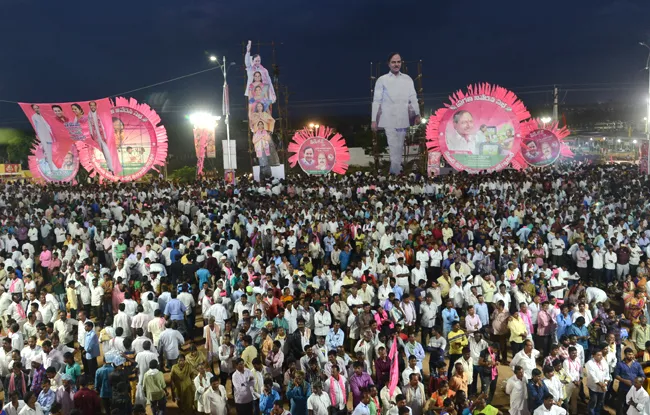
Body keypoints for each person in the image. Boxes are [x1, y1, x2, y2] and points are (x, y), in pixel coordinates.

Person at [371, 52, 420, 174]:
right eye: (393, 62)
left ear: (401, 63)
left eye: (398, 62)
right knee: (393, 146)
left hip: (403, 117)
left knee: (399, 146)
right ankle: (395, 173)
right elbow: (376, 101)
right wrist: (373, 120)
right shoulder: (382, 80)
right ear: (389, 64)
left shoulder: (407, 79)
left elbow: (413, 97)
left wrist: (417, 114)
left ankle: (395, 172)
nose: (396, 64)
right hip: (388, 118)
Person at [30, 105, 56, 172]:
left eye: (37, 108)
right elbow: (36, 127)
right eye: (34, 109)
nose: (36, 109)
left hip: (49, 135)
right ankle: (51, 169)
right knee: (47, 152)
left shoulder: (45, 116)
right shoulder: (34, 117)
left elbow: (49, 125)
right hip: (43, 136)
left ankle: (53, 167)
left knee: (51, 152)